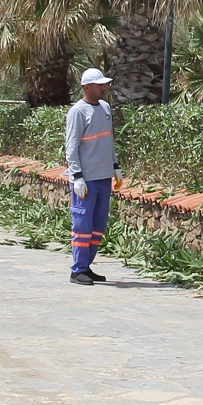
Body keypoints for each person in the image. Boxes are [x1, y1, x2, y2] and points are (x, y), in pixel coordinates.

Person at [65, 67, 116, 285]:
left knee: (97, 226)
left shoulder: (105, 107)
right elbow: (71, 147)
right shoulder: (77, 112)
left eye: (104, 84)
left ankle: (86, 265)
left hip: (104, 177)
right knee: (82, 226)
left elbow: (109, 141)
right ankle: (77, 270)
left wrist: (116, 166)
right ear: (87, 87)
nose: (104, 88)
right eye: (99, 85)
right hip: (85, 180)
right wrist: (77, 176)